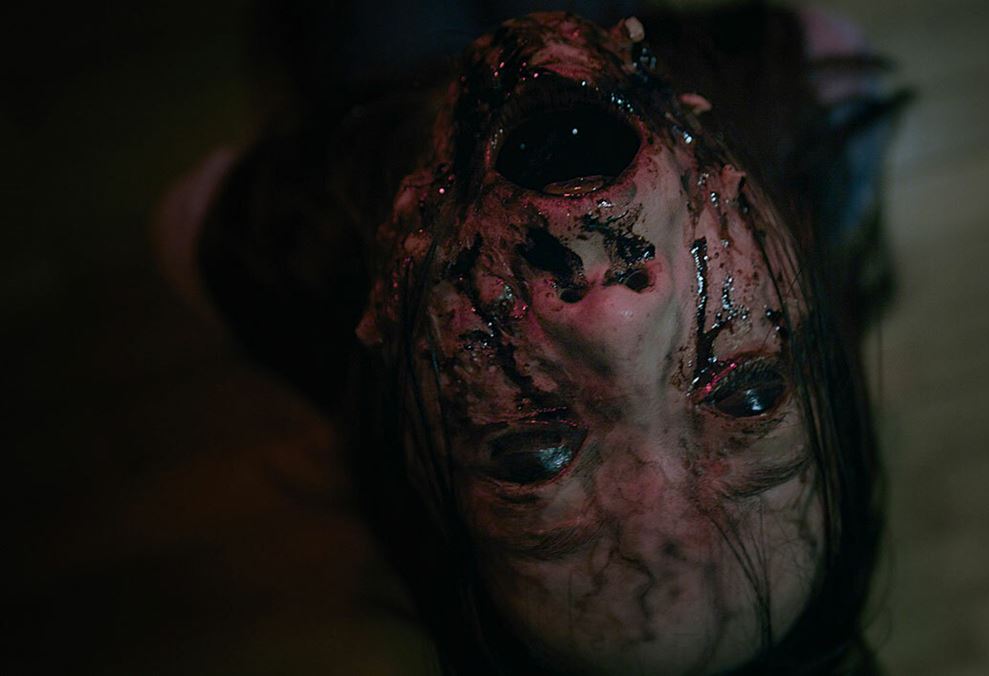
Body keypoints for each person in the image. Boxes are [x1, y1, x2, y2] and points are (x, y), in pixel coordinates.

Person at [157, 2, 909, 673]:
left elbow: (186, 220)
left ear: (409, 441)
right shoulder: (818, 99)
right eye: (748, 395)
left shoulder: (282, 265)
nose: (617, 320)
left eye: (533, 455)